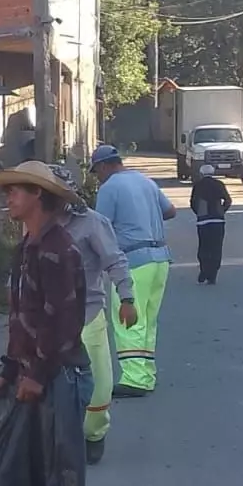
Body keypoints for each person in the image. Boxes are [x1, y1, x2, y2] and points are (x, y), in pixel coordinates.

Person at [0, 161, 92, 486]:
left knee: (60, 468)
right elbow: (21, 319)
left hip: (60, 374)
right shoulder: (27, 245)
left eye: (17, 191)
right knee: (37, 466)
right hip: (37, 372)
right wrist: (10, 370)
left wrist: (37, 374)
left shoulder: (57, 249)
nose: (8, 198)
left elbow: (63, 323)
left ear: (38, 197)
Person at [50, 166, 137, 466]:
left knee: (97, 384)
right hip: (46, 320)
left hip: (86, 316)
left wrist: (127, 297)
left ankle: (94, 434)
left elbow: (115, 261)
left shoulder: (91, 224)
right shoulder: (36, 225)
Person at [92, 144, 176, 397]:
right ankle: (146, 374)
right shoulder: (146, 182)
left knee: (127, 320)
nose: (97, 177)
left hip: (133, 261)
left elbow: (98, 226)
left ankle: (134, 378)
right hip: (160, 260)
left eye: (97, 171)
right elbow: (170, 211)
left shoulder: (109, 188)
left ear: (105, 166)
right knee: (148, 321)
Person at [190, 164, 232, 285]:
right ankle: (213, 274)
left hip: (203, 221)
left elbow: (193, 202)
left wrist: (199, 213)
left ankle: (204, 269)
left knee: (204, 246)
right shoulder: (219, 184)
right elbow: (228, 200)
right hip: (218, 220)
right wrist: (221, 211)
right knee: (216, 247)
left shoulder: (198, 186)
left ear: (201, 173)